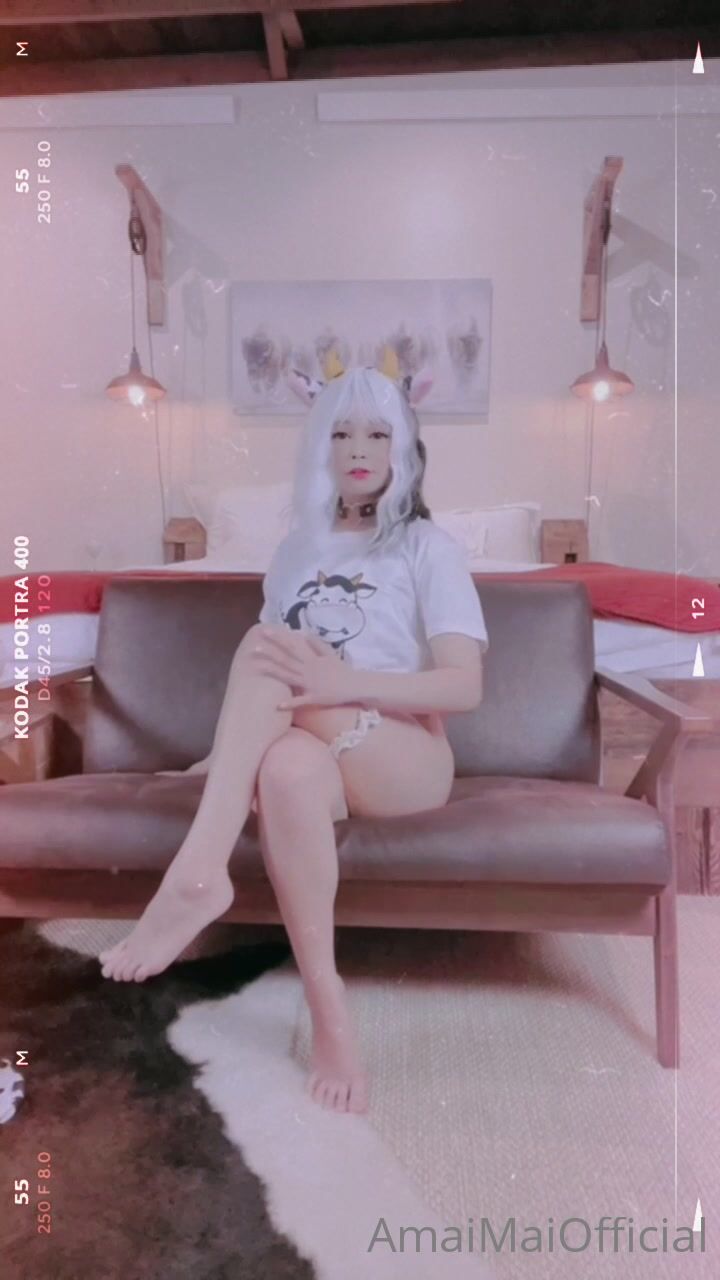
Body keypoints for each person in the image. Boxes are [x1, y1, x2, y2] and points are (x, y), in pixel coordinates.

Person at [99, 348, 489, 1114]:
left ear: (404, 447)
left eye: (377, 434)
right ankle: (329, 1008)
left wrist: (347, 685)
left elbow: (464, 686)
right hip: (318, 750)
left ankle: (196, 874)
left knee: (263, 647)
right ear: (319, 446)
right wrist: (225, 761)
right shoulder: (295, 551)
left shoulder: (427, 548)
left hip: (406, 756)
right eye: (340, 434)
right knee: (282, 768)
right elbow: (270, 694)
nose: (358, 451)